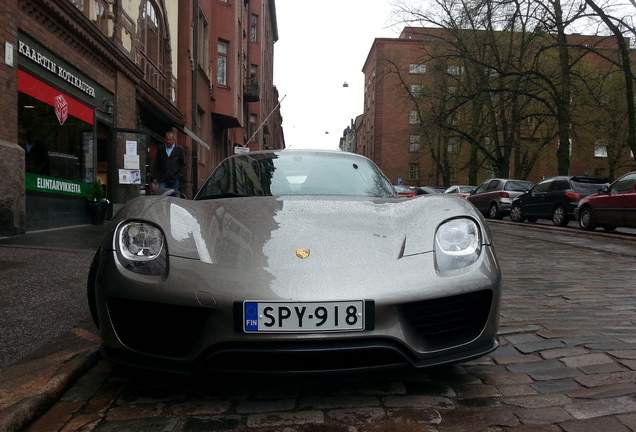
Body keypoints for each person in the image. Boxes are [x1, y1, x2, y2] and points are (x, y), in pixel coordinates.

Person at [154, 131, 185, 195]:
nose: (168, 141)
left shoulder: (179, 149)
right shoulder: (161, 149)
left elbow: (182, 164)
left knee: (173, 198)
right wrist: (155, 177)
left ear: (174, 140)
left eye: (170, 140)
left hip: (174, 178)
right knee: (162, 196)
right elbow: (157, 163)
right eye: (167, 139)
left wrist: (179, 176)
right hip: (163, 178)